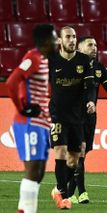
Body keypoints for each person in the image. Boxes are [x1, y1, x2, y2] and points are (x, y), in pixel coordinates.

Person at [6, 24, 58, 213]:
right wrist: (22, 108)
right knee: (32, 170)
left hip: (42, 123)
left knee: (39, 173)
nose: (57, 42)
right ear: (45, 41)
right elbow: (12, 82)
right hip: (29, 123)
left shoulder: (44, 59)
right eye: (54, 39)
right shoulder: (33, 57)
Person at [67, 36, 107, 204]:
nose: (94, 48)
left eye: (96, 45)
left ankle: (68, 192)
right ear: (80, 48)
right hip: (75, 116)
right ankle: (81, 192)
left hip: (90, 116)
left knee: (82, 155)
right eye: (90, 45)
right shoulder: (73, 66)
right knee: (80, 151)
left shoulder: (99, 68)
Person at [49, 26, 96, 210]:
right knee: (60, 152)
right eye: (68, 37)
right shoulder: (52, 59)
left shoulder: (84, 60)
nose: (72, 40)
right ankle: (63, 197)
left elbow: (90, 86)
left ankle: (58, 189)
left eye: (74, 37)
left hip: (77, 116)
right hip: (58, 114)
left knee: (74, 160)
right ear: (60, 40)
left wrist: (91, 101)